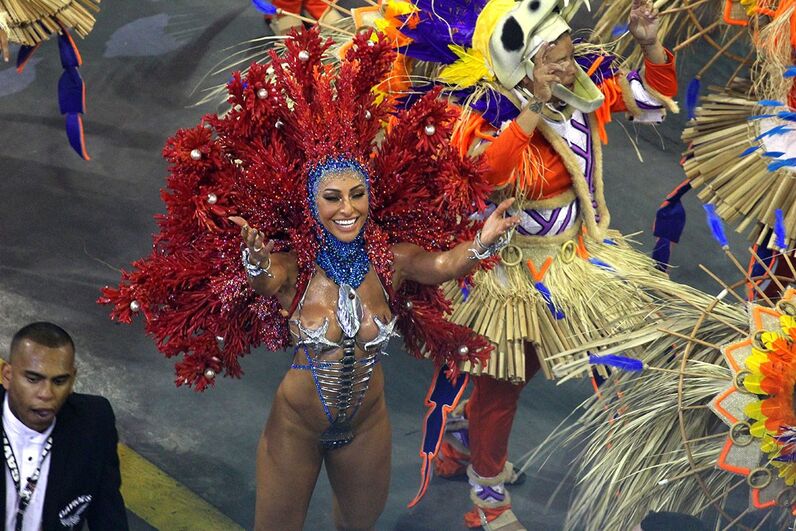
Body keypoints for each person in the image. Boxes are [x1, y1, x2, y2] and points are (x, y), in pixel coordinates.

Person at [100, 27, 518, 530]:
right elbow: (262, 280)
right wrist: (253, 260)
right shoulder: (293, 268)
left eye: (357, 194)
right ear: (311, 204)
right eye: (333, 198)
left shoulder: (392, 261)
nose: (348, 209)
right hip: (296, 427)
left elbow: (448, 264)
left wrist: (485, 240)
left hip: (367, 426)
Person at [366, 0, 681, 527]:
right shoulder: (484, 114)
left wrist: (650, 44)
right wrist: (531, 107)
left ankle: (463, 441)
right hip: (509, 277)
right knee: (502, 384)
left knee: (521, 372)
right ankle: (489, 501)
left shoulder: (580, 92)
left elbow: (653, 94)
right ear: (520, 66)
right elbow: (490, 173)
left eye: (567, 53)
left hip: (570, 264)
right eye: (552, 60)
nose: (567, 67)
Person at [1, 322, 128, 530]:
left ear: (73, 380)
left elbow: (108, 516)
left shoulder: (94, 424)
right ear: (7, 375)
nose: (46, 394)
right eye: (33, 379)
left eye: (59, 381)